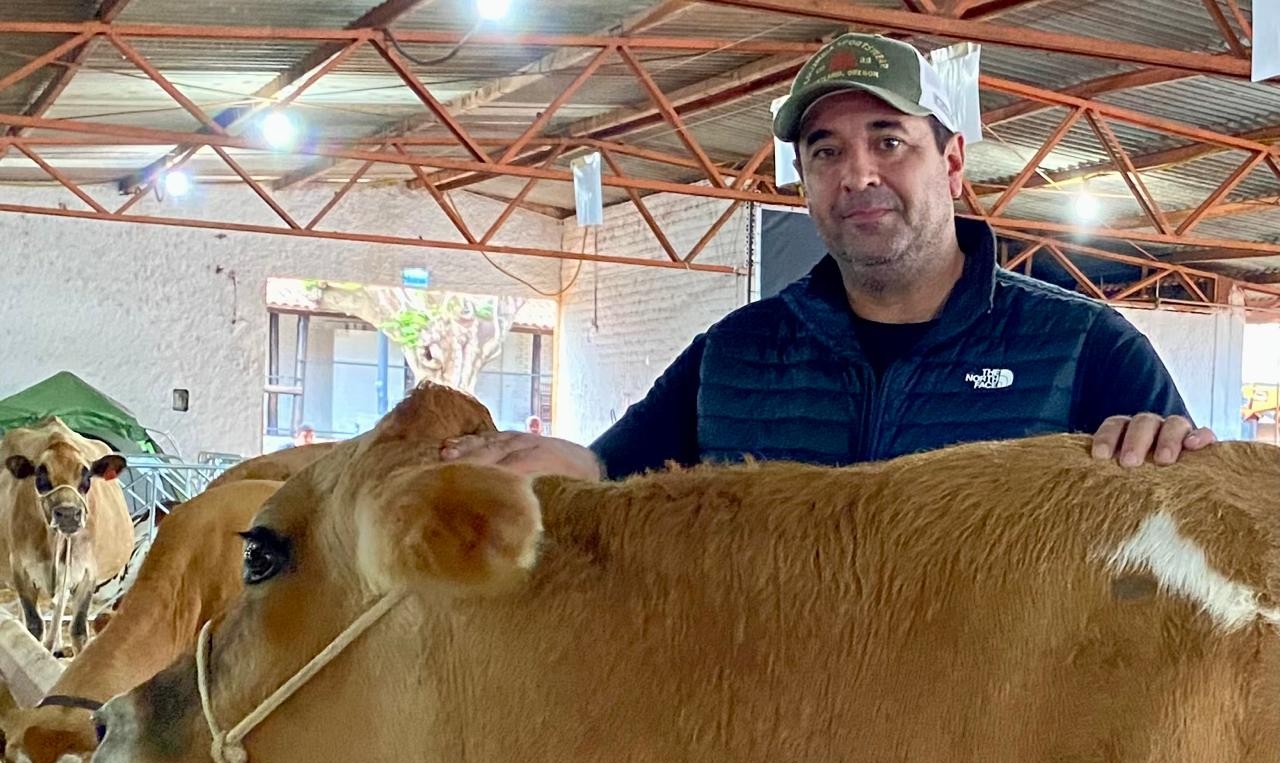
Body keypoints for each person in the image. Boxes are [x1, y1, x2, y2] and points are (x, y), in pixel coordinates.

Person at [442, 33, 1215, 480]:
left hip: (988, 753)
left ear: (951, 165)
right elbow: (613, 476)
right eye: (826, 151)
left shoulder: (1085, 347)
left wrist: (1174, 452)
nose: (858, 175)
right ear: (807, 183)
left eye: (889, 141)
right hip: (772, 741)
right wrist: (549, 465)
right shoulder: (734, 356)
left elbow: (1183, 532)